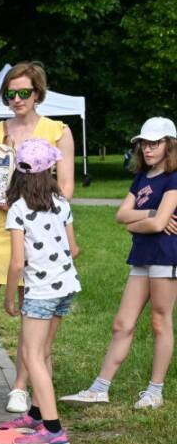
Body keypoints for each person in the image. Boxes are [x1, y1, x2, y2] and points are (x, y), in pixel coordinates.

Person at [0, 61, 76, 413]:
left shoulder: (58, 131)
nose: (17, 99)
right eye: (11, 93)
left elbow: (67, 187)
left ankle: (21, 386)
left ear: (38, 93)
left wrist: (34, 207)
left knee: (33, 314)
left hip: (39, 230)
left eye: (24, 92)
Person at [62, 117, 177, 410]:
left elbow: (157, 225)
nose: (148, 149)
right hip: (141, 257)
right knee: (121, 323)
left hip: (166, 256)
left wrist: (143, 220)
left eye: (155, 143)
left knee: (159, 321)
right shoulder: (142, 178)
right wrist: (150, 214)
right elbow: (121, 217)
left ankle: (155, 391)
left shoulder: (174, 178)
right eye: (144, 144)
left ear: (169, 145)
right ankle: (100, 388)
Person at [0, 138, 80, 444]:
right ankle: (39, 415)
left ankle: (54, 431)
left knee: (30, 355)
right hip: (65, 286)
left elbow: (16, 262)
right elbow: (74, 248)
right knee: (43, 353)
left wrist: (10, 298)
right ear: (49, 171)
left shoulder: (18, 209)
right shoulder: (62, 203)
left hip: (40, 292)